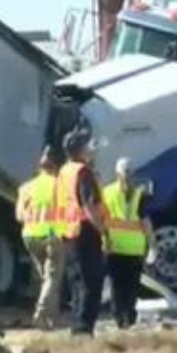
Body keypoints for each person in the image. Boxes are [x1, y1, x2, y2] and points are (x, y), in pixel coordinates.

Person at [55, 130, 109, 336]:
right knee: (91, 284)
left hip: (69, 234)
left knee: (77, 283)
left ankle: (77, 327)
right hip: (86, 232)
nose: (92, 148)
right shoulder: (83, 172)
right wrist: (103, 233)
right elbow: (90, 206)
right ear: (81, 149)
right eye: (89, 145)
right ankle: (84, 331)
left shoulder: (64, 171)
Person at [16, 146, 65, 330]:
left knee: (43, 278)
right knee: (52, 278)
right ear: (55, 167)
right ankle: (41, 313)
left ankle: (52, 319)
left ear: (39, 167)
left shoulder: (26, 187)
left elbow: (19, 215)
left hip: (30, 236)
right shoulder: (59, 185)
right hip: (52, 236)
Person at [103, 157, 153, 329]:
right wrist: (152, 244)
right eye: (127, 173)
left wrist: (151, 244)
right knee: (123, 286)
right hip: (122, 248)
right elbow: (145, 223)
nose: (129, 176)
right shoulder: (112, 194)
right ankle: (124, 319)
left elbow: (145, 221)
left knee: (125, 286)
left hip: (124, 248)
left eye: (130, 173)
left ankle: (125, 319)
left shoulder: (109, 193)